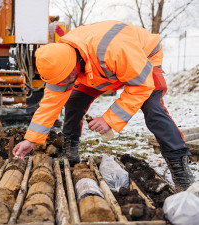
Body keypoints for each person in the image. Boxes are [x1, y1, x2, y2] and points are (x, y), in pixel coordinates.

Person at [13, 20, 194, 191]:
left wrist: (109, 119)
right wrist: (31, 139)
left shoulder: (116, 50)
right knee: (74, 102)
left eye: (69, 77)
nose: (67, 82)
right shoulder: (58, 62)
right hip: (100, 69)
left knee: (152, 108)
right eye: (62, 80)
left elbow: (141, 85)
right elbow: (50, 105)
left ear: (75, 62)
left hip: (142, 59)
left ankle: (180, 170)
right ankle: (70, 152)